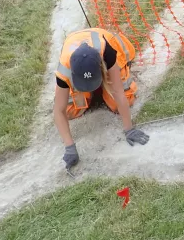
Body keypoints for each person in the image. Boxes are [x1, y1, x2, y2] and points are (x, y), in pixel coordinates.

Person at [53, 28, 150, 169]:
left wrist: (129, 129)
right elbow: (58, 110)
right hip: (76, 47)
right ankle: (93, 90)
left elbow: (118, 92)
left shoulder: (107, 53)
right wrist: (69, 147)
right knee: (70, 111)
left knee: (122, 102)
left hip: (105, 51)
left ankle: (102, 85)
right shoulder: (64, 69)